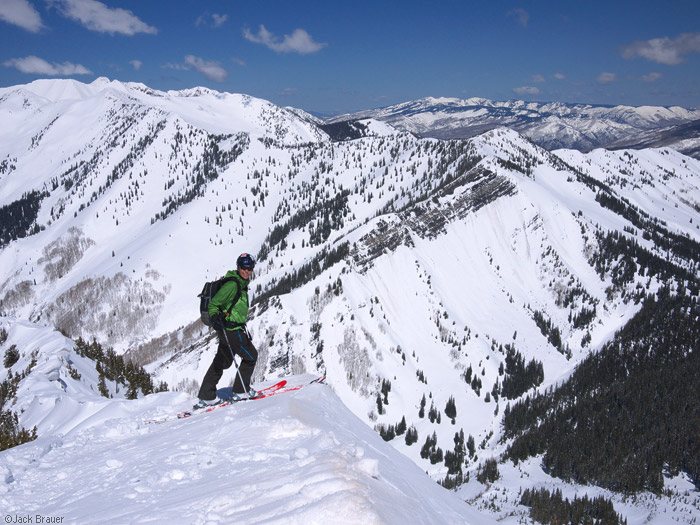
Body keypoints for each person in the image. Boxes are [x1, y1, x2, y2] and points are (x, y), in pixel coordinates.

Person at [195, 253, 259, 408]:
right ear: (238, 267)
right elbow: (214, 304)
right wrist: (215, 317)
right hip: (232, 329)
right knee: (251, 356)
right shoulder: (233, 285)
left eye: (249, 268)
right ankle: (241, 390)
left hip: (229, 329)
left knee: (222, 361)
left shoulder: (240, 283)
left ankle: (207, 395)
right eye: (243, 267)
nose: (247, 271)